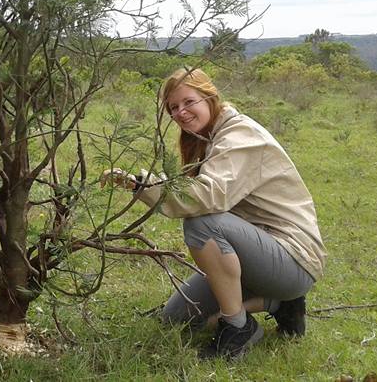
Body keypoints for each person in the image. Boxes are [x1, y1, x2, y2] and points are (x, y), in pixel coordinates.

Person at [101, 67, 326, 360]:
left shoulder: (239, 136)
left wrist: (143, 185)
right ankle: (280, 305)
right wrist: (139, 184)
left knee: (203, 223)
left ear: (210, 97)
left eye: (188, 101)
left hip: (293, 259)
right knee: (178, 319)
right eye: (173, 107)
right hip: (257, 254)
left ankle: (237, 328)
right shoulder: (208, 137)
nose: (181, 112)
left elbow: (208, 196)